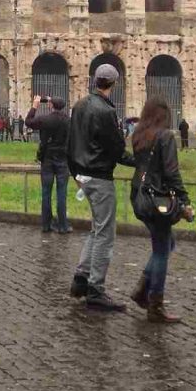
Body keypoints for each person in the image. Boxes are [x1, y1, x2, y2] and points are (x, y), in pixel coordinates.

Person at [67, 63, 135, 311]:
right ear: (114, 84)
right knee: (106, 233)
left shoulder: (79, 105)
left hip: (82, 174)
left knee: (97, 229)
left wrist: (74, 173)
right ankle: (96, 289)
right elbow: (116, 150)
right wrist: (141, 162)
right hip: (99, 176)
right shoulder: (106, 112)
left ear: (95, 81)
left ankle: (80, 279)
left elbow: (70, 142)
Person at [128, 96, 193, 324]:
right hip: (158, 201)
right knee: (162, 251)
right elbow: (171, 172)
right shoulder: (165, 136)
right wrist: (184, 201)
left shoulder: (138, 135)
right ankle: (154, 304)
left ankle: (142, 289)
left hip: (139, 197)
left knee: (166, 244)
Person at [27, 95, 71, 234]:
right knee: (61, 193)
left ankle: (46, 225)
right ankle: (63, 226)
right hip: (63, 159)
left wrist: (35, 106)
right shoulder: (68, 121)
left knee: (46, 192)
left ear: (51, 105)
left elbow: (28, 122)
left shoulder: (45, 119)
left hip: (47, 158)